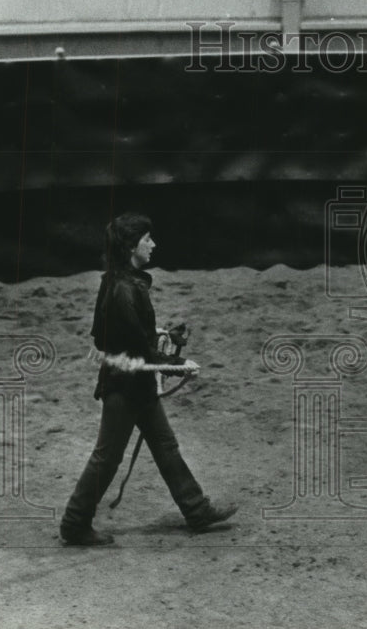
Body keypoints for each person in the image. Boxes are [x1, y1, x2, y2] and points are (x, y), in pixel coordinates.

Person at [60, 212, 237, 546]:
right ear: (131, 245)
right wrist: (181, 363)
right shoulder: (126, 290)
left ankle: (196, 510)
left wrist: (155, 336)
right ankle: (74, 523)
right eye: (147, 239)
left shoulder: (113, 281)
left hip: (131, 382)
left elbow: (103, 337)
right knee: (107, 457)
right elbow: (138, 349)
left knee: (165, 446)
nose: (153, 245)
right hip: (126, 387)